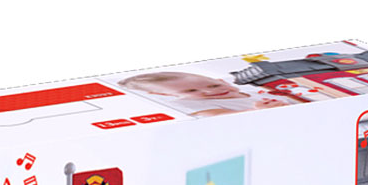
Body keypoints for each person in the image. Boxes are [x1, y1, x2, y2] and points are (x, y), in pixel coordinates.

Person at [117, 70, 303, 117]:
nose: (210, 91)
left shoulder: (247, 89)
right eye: (191, 90)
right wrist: (256, 111)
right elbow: (218, 117)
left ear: (222, 81)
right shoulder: (190, 105)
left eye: (213, 85)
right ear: (168, 95)